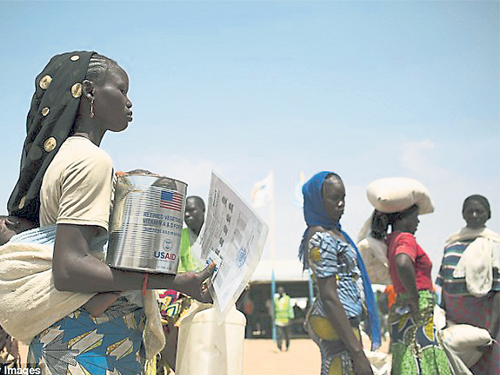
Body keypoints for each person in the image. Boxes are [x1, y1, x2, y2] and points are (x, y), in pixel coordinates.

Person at [1, 51, 214, 374]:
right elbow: (70, 268)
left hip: (65, 337)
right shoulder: (91, 160)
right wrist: (175, 281)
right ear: (89, 92)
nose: (129, 102)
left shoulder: (66, 156)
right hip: (93, 345)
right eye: (122, 90)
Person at [298, 171, 380, 375]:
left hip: (345, 319)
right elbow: (329, 296)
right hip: (335, 320)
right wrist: (358, 353)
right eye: (334, 198)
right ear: (318, 200)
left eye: (343, 198)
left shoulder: (337, 233)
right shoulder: (320, 237)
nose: (341, 204)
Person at [371, 204, 451, 374]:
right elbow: (402, 262)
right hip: (417, 306)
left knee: (408, 357)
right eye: (415, 217)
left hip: (403, 305)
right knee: (426, 356)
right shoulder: (406, 238)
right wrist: (414, 297)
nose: (418, 221)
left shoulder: (392, 239)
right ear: (402, 219)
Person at [436, 194, 500, 374]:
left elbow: (498, 292)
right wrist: (443, 322)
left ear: (488, 215)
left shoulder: (495, 246)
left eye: (479, 211)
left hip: (484, 321)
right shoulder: (451, 245)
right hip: (455, 323)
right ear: (463, 214)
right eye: (469, 211)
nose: (474, 215)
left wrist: (491, 333)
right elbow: (444, 287)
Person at [156, 195, 206, 373]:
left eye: (191, 210)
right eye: (184, 211)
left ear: (203, 211)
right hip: (183, 292)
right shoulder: (179, 237)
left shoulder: (214, 237)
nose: (187, 214)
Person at [273, 286, 294, 351]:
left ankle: (287, 346)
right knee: (279, 335)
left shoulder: (287, 298)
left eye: (281, 291)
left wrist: (291, 317)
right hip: (278, 320)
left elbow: (290, 308)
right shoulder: (275, 299)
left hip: (286, 320)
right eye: (279, 291)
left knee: (287, 335)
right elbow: (273, 309)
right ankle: (279, 347)